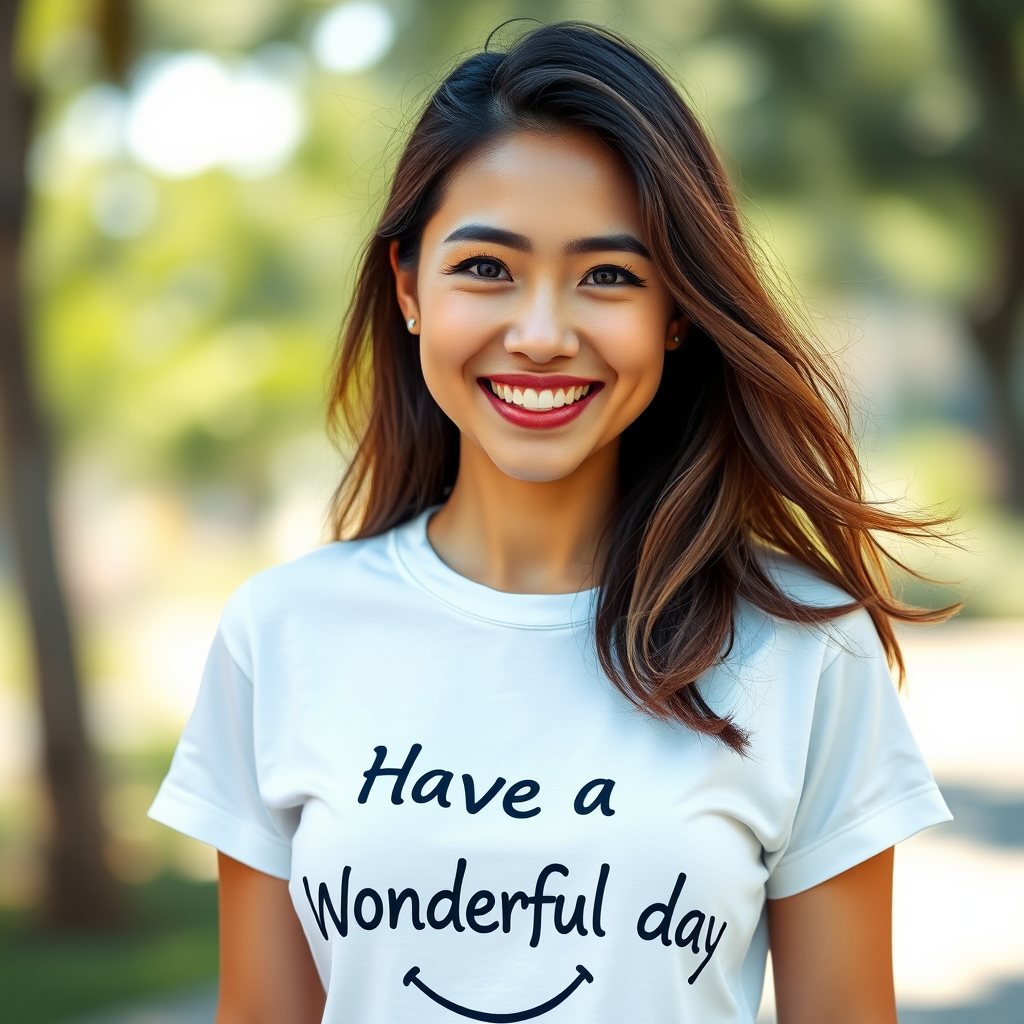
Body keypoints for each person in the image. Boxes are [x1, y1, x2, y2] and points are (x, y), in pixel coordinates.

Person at [149, 21, 953, 1024]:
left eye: (607, 275)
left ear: (676, 312)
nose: (539, 333)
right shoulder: (281, 636)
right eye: (486, 267)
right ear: (408, 286)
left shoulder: (801, 646)